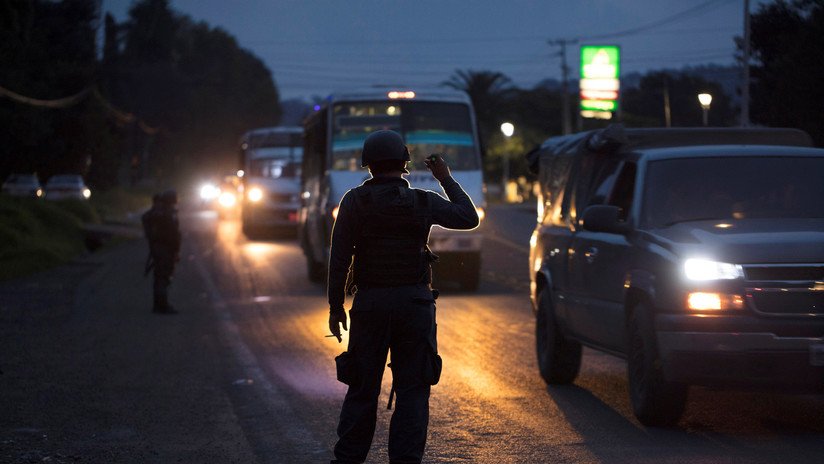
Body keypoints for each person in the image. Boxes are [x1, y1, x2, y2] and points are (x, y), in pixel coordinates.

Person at [328, 130, 479, 464]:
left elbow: (339, 257)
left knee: (362, 390)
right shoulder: (422, 201)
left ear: (368, 164)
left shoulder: (354, 201)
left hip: (370, 306)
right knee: (413, 393)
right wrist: (446, 180)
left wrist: (336, 306)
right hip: (414, 307)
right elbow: (469, 218)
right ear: (404, 162)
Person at [141, 190, 181, 314]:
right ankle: (162, 306)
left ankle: (158, 305)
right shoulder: (167, 214)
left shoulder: (156, 213)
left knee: (159, 277)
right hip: (165, 248)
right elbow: (174, 234)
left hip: (158, 248)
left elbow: (145, 218)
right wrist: (176, 250)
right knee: (163, 277)